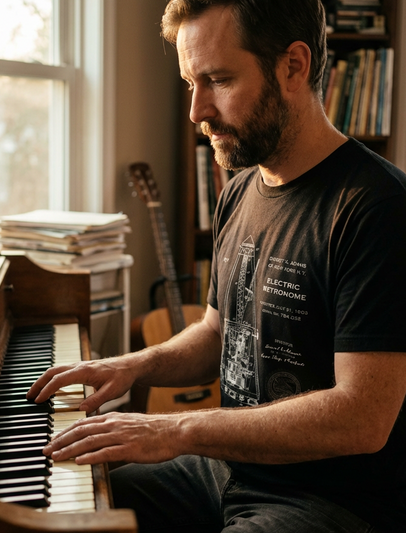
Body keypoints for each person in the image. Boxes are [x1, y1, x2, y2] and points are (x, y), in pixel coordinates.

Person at [27, 1, 406, 531]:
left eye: (218, 80)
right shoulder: (241, 190)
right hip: (222, 470)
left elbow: (364, 417)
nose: (196, 111)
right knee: (63, 499)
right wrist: (132, 366)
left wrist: (176, 430)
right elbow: (217, 333)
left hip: (328, 499)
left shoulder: (376, 207)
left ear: (294, 66)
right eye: (189, 83)